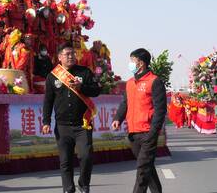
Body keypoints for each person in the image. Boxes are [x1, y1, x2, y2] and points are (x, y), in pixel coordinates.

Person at [42, 44, 101, 193]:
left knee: (86, 156)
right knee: (65, 161)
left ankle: (83, 183)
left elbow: (96, 91)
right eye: (67, 54)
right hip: (62, 126)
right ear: (60, 57)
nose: (71, 56)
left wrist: (81, 87)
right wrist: (46, 121)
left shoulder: (84, 72)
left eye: (73, 54)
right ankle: (68, 189)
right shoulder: (52, 76)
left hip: (82, 124)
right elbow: (48, 101)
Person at [111, 48, 167, 193]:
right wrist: (118, 118)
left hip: (148, 132)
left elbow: (160, 110)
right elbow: (125, 103)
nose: (130, 64)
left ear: (141, 63)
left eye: (132, 61)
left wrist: (153, 133)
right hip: (133, 132)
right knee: (146, 167)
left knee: (142, 169)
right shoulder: (130, 83)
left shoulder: (154, 81)